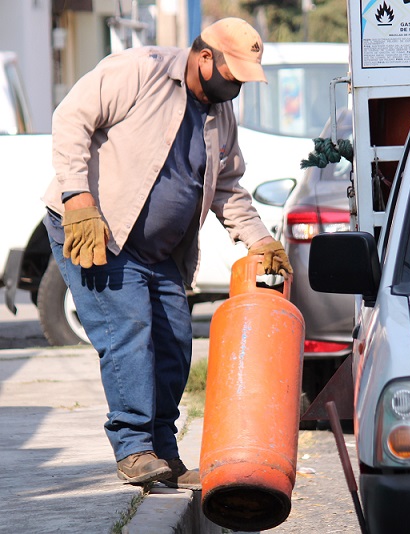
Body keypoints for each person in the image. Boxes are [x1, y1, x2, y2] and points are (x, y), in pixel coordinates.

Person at [41, 18, 292, 489]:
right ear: (204, 58)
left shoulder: (220, 115)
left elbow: (229, 189)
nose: (236, 85)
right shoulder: (141, 69)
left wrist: (259, 239)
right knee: (129, 331)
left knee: (175, 343)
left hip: (160, 254)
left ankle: (162, 452)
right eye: (232, 74)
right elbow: (71, 119)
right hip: (97, 231)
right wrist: (77, 198)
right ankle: (133, 448)